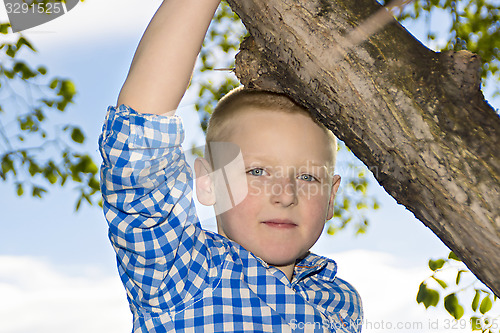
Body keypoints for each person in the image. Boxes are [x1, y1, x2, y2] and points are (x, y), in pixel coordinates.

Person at [99, 0, 363, 331]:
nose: (286, 195)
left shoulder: (339, 301)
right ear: (209, 183)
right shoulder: (182, 273)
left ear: (331, 197)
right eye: (257, 172)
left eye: (308, 176)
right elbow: (139, 146)